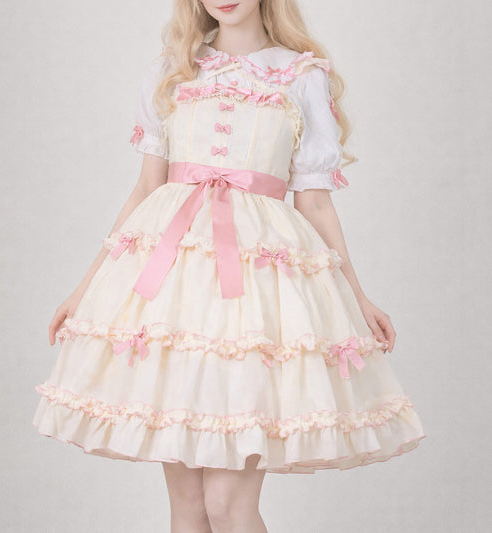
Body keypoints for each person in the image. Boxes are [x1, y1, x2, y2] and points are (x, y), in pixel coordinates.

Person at [33, 1, 426, 531]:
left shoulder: (301, 75)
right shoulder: (173, 70)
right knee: (188, 506)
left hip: (255, 299)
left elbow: (313, 203)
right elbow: (146, 188)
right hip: (173, 298)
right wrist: (85, 289)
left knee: (228, 504)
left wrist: (358, 297)